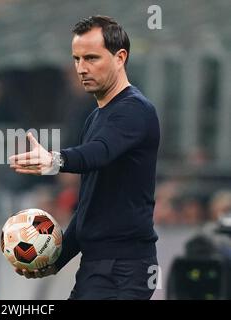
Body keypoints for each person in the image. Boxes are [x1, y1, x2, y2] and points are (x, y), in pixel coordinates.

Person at [9, 15, 160, 300]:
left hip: (124, 269)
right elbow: (89, 208)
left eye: (91, 58)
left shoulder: (136, 110)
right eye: (77, 59)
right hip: (96, 265)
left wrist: (56, 160)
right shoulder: (95, 117)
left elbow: (99, 152)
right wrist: (55, 260)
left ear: (120, 57)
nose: (82, 68)